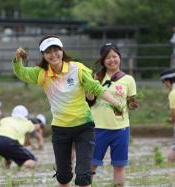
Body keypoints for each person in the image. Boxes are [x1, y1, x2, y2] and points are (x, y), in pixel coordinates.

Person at [12, 35, 124, 187]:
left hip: (84, 127)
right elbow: (22, 73)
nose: (53, 55)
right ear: (44, 55)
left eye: (56, 50)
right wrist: (18, 59)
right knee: (63, 177)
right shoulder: (42, 73)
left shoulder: (77, 68)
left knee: (84, 177)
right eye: (48, 52)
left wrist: (116, 103)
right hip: (60, 129)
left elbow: (95, 88)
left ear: (62, 50)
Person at [86, 43, 138, 186]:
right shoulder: (95, 77)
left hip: (121, 129)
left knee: (119, 165)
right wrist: (90, 89)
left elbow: (132, 102)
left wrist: (133, 104)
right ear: (103, 60)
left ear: (119, 57)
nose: (112, 60)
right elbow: (89, 101)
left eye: (114, 56)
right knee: (91, 165)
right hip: (98, 128)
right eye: (108, 57)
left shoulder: (128, 80)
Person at [0, 105, 38, 169]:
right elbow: (36, 128)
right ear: (26, 116)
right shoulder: (28, 123)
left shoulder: (5, 119)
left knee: (8, 155)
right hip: (8, 142)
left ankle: (6, 171)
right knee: (33, 160)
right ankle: (20, 172)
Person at [160, 69, 175, 162]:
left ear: (169, 81)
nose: (165, 86)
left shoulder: (173, 93)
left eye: (165, 83)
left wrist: (172, 120)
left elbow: (174, 112)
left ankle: (169, 164)